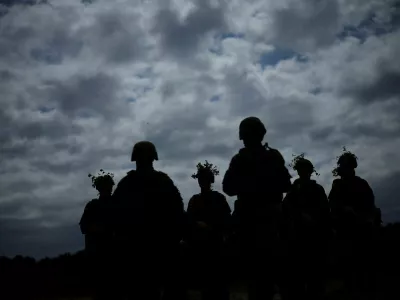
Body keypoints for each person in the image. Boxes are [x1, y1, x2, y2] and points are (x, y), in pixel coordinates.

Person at [222, 117, 292, 300]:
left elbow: (228, 188)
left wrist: (248, 185)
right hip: (267, 220)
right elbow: (286, 184)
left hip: (253, 221)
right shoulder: (273, 156)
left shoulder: (240, 159)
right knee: (271, 271)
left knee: (257, 274)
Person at [112, 141, 185, 300]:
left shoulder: (127, 183)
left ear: (135, 158)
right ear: (153, 158)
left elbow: (114, 213)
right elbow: (178, 210)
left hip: (140, 246)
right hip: (157, 244)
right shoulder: (163, 180)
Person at [328, 148, 377, 300]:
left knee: (363, 262)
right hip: (345, 230)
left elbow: (370, 204)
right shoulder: (337, 185)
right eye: (342, 165)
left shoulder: (361, 184)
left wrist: (368, 218)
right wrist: (343, 209)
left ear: (352, 167)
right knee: (347, 263)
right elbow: (333, 204)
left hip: (362, 228)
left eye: (347, 165)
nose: (344, 168)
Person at [281, 156, 330, 300]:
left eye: (305, 169)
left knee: (315, 277)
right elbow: (285, 210)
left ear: (310, 171)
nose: (303, 172)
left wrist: (314, 220)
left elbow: (325, 211)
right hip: (296, 238)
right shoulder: (292, 191)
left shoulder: (317, 189)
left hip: (315, 237)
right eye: (300, 169)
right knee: (298, 279)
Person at [185, 161, 232, 300]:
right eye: (200, 179)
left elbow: (226, 221)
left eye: (205, 179)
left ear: (210, 181)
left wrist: (211, 228)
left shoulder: (218, 198)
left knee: (218, 285)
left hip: (215, 244)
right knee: (205, 286)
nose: (202, 182)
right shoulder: (194, 200)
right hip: (199, 246)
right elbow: (189, 221)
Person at [79, 170, 115, 300]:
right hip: (99, 254)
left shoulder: (117, 204)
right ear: (100, 188)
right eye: (105, 186)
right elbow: (84, 227)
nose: (108, 189)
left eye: (109, 186)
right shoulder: (93, 205)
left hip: (114, 255)